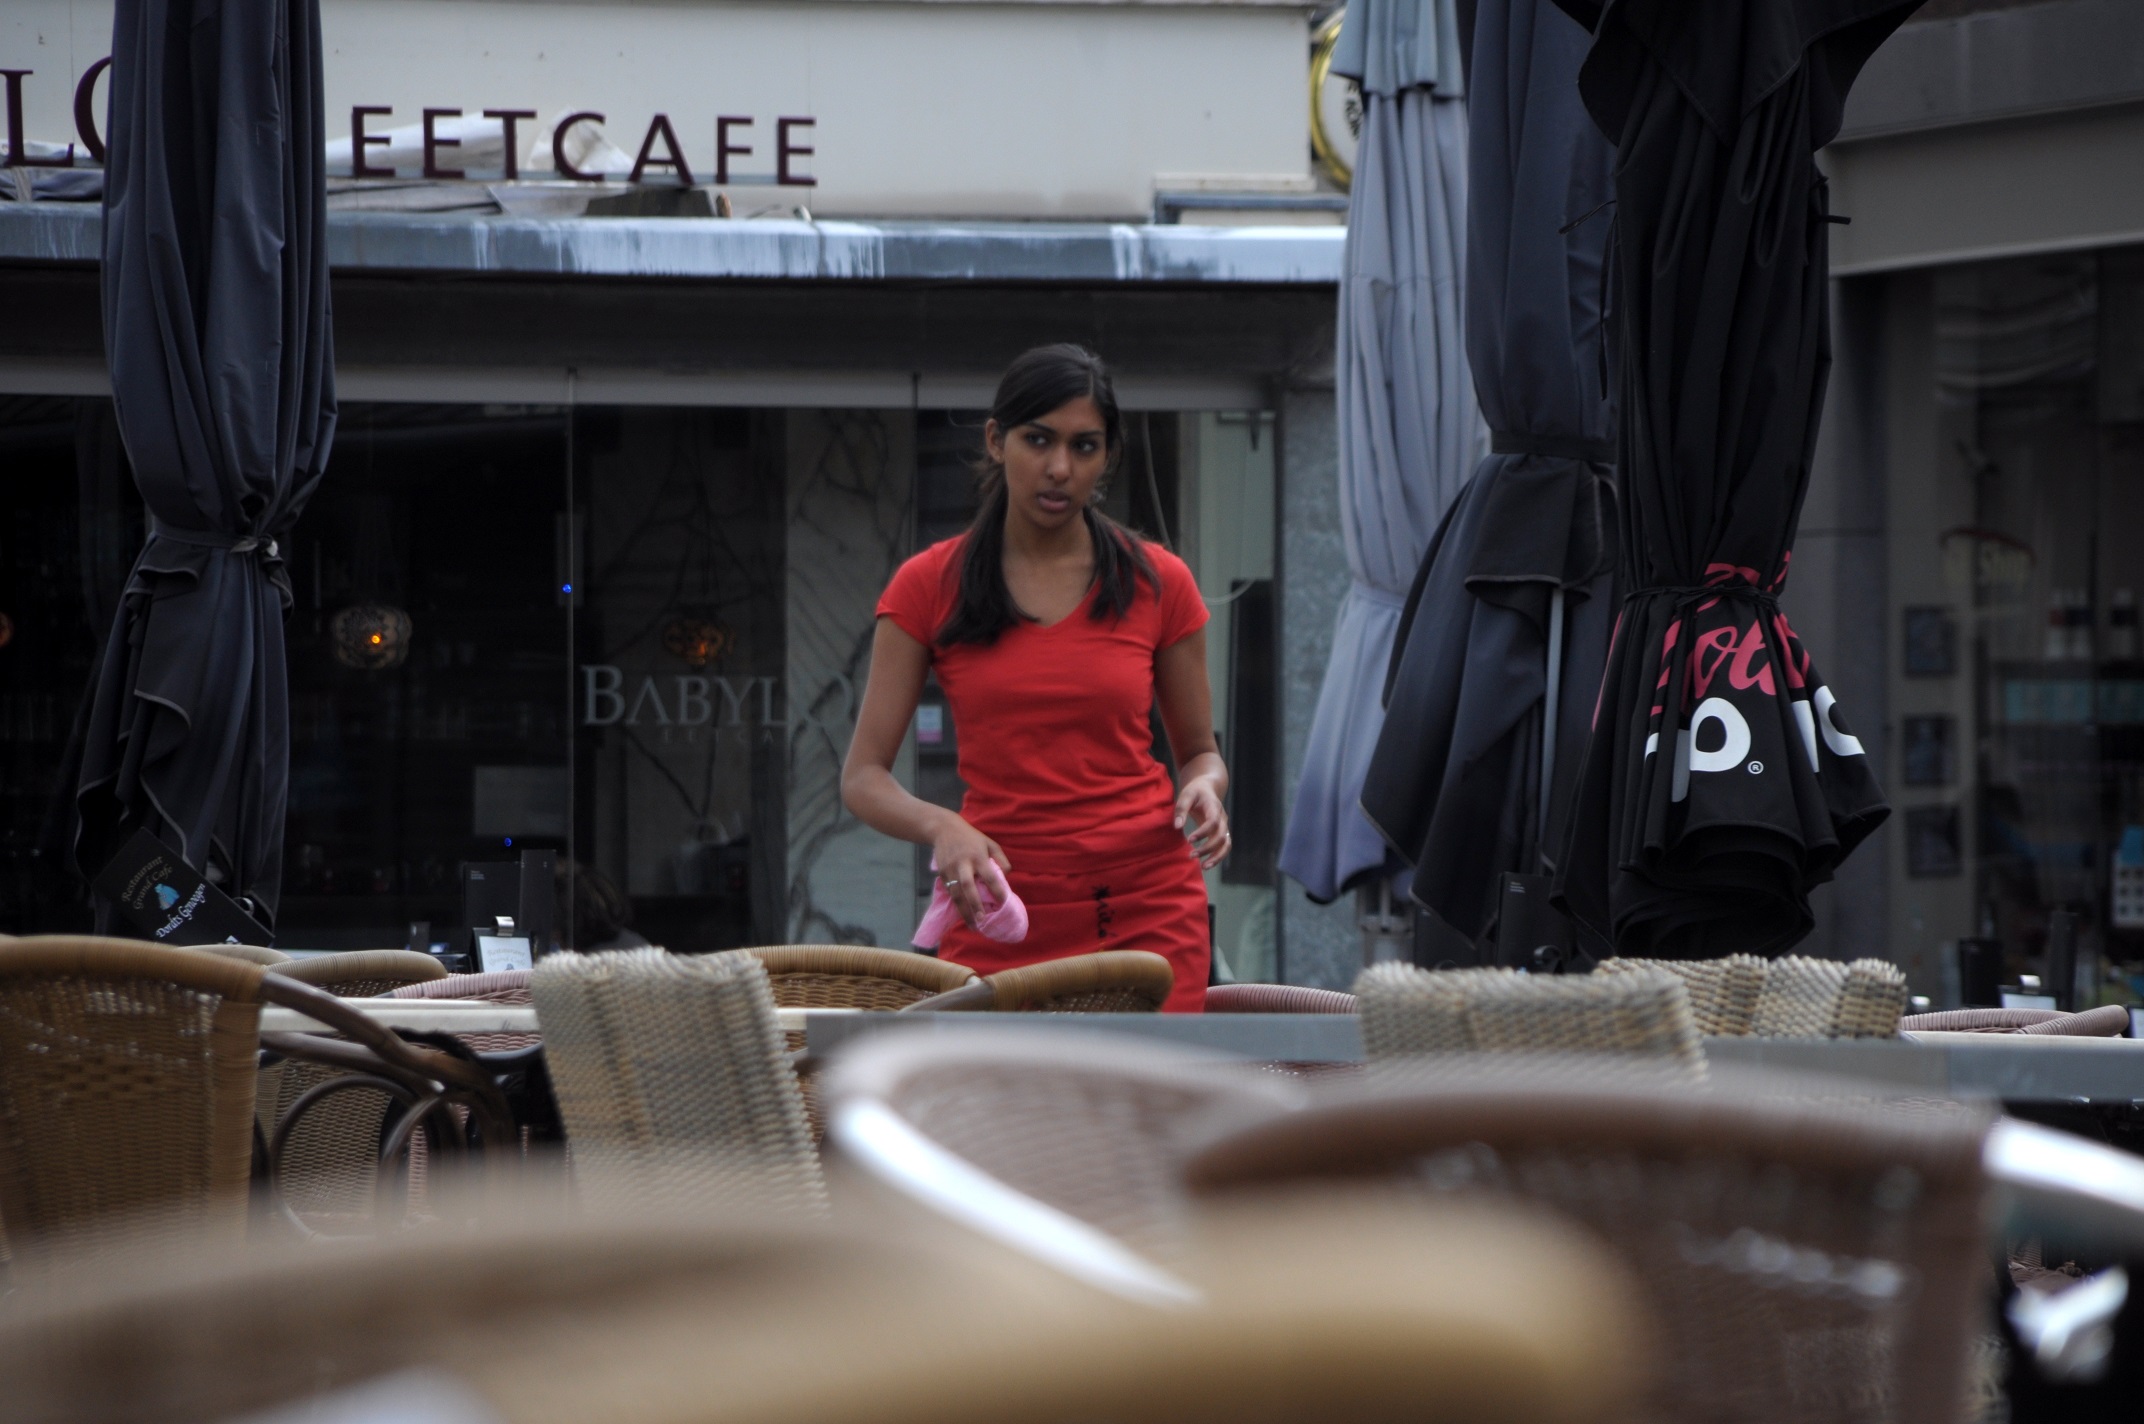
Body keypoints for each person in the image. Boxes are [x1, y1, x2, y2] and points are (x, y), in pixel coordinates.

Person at [842, 344, 1230, 1010]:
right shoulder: (927, 585)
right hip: (1003, 904)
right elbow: (862, 778)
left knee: (1152, 1082)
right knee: (998, 1082)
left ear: (1107, 455)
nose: (1059, 469)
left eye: (1085, 446)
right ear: (997, 440)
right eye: (1039, 440)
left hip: (1148, 906)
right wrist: (942, 827)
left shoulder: (1160, 581)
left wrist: (1206, 787)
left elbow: (1199, 752)